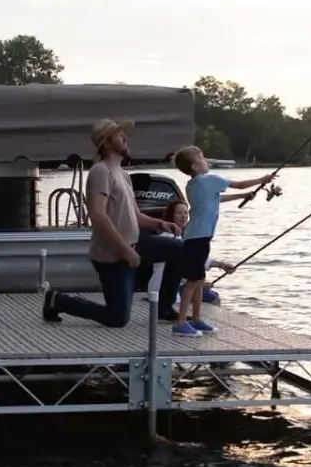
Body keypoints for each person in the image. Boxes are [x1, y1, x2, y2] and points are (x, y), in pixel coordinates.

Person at [43, 118, 187, 327]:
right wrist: (125, 251)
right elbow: (97, 215)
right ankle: (57, 300)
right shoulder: (100, 172)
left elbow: (135, 217)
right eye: (120, 135)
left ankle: (164, 307)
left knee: (179, 249)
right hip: (113, 255)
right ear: (108, 143)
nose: (126, 138)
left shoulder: (123, 175)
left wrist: (159, 225)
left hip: (136, 243)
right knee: (117, 318)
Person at [169, 146, 276, 336]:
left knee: (200, 279)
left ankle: (196, 319)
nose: (206, 160)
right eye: (202, 158)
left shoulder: (194, 184)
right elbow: (240, 184)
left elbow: (216, 199)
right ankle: (180, 322)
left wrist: (242, 197)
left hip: (196, 236)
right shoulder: (210, 179)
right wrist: (263, 180)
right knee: (193, 282)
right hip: (198, 237)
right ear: (194, 166)